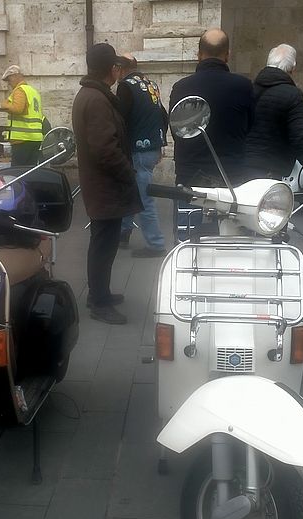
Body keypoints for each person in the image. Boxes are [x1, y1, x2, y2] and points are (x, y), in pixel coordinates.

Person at [72, 43, 142, 325]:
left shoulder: (91, 95)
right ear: (111, 69)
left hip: (102, 185)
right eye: (116, 66)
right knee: (103, 245)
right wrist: (128, 172)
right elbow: (105, 149)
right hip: (105, 186)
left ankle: (100, 293)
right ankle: (99, 302)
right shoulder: (97, 99)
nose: (118, 70)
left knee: (104, 243)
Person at [169, 29, 254, 188]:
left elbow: (177, 131)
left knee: (188, 205)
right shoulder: (243, 86)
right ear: (227, 55)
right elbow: (250, 126)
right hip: (230, 174)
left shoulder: (180, 87)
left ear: (199, 55)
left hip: (190, 173)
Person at [116, 54, 168, 257]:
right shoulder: (150, 84)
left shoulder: (126, 86)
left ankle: (156, 244)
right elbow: (162, 115)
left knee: (144, 198)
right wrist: (159, 143)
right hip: (151, 146)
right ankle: (123, 232)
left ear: (121, 69)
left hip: (137, 149)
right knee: (130, 190)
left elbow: (120, 119)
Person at [246, 44, 303, 180]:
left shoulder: (248, 89)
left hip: (243, 165)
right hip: (271, 167)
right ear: (293, 68)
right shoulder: (293, 95)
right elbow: (300, 138)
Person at [0, 65, 44, 167]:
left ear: (16, 76)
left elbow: (17, 109)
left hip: (22, 139)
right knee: (30, 171)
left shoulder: (20, 90)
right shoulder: (33, 91)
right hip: (35, 139)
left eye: (9, 80)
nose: (9, 83)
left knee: (18, 172)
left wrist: (4, 104)